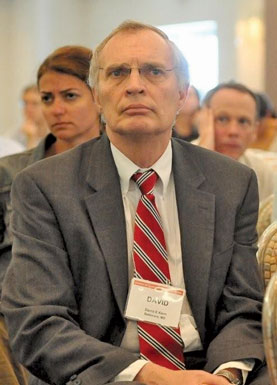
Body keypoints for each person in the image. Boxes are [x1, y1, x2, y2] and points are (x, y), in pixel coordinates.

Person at [2, 21, 267, 385]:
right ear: (98, 96)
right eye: (117, 72)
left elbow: (245, 306)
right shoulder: (44, 186)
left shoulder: (231, 182)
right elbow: (37, 321)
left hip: (209, 366)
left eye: (155, 71)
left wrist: (225, 376)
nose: (135, 84)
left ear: (182, 93)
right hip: (103, 371)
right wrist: (148, 376)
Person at [0, 45, 101, 385]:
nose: (57, 109)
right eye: (47, 98)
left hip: (99, 316)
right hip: (19, 316)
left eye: (70, 96)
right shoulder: (10, 171)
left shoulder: (119, 169)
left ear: (98, 97)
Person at [196, 82, 275, 201]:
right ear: (204, 121)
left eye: (243, 121)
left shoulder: (262, 172)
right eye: (222, 119)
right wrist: (204, 156)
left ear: (255, 130)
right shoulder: (180, 163)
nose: (233, 131)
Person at [19, 84, 49, 149]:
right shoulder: (14, 136)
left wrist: (32, 140)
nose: (28, 109)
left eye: (35, 104)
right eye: (25, 103)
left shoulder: (57, 135)